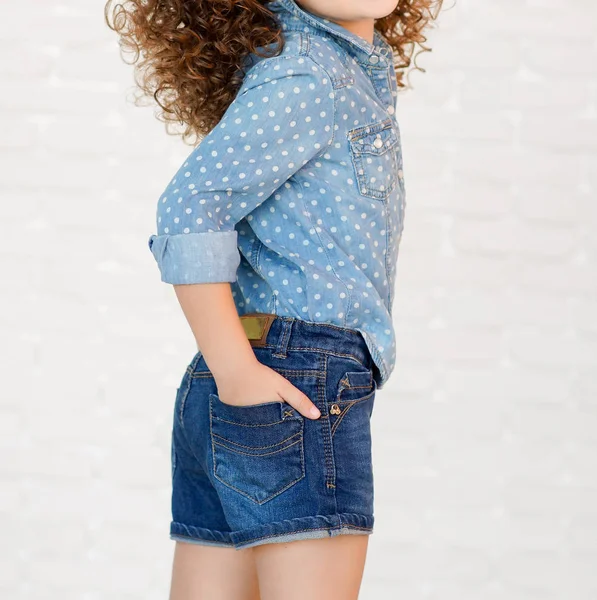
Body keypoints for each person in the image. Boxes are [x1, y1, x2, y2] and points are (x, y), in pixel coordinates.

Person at [106, 0, 442, 597]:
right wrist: (237, 372)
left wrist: (234, 372)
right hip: (298, 377)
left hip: (254, 374)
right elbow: (188, 211)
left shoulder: (344, 67)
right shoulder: (310, 74)